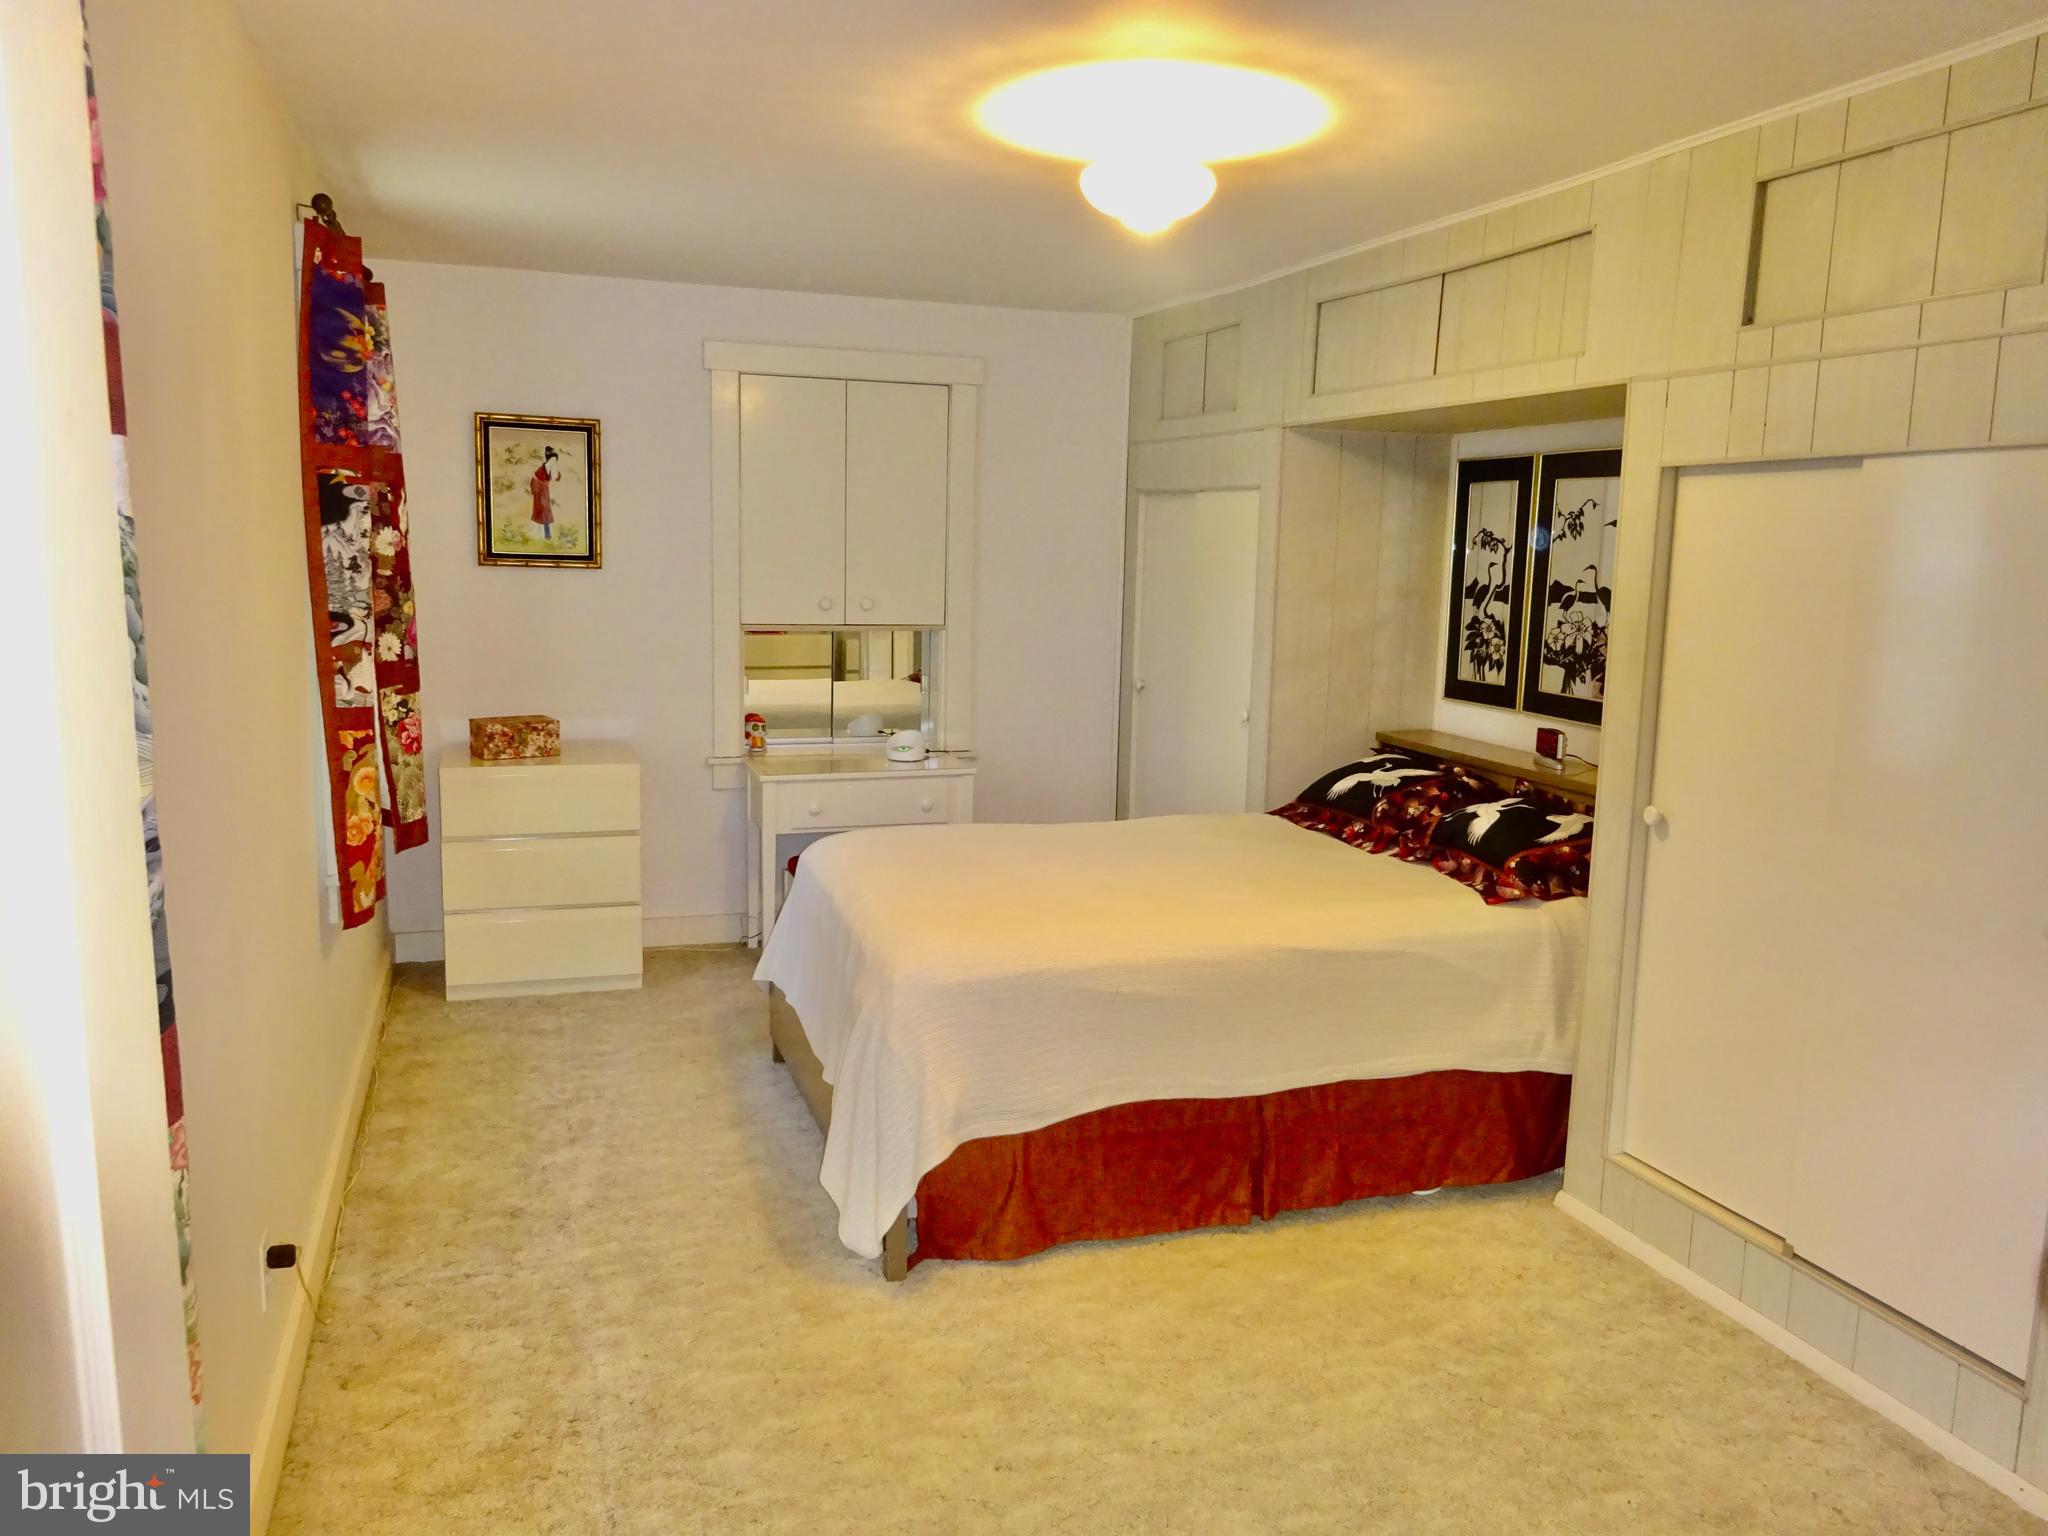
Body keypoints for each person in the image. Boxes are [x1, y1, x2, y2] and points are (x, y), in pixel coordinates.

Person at [529, 446, 560, 540]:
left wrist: (555, 469)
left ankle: (546, 535)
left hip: (543, 488)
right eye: (553, 459)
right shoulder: (546, 466)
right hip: (538, 488)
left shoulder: (550, 466)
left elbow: (556, 477)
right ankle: (545, 535)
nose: (554, 461)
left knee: (545, 510)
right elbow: (553, 476)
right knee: (543, 509)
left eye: (555, 459)